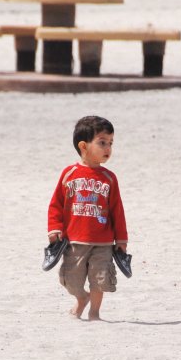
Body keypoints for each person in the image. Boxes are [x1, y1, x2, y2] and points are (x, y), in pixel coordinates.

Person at [47, 115, 128, 321]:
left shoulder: (109, 178)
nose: (108, 148)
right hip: (74, 240)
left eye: (110, 143)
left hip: (103, 242)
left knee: (100, 279)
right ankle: (81, 298)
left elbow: (117, 210)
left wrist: (121, 240)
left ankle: (95, 312)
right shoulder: (69, 174)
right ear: (83, 146)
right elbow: (56, 204)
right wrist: (54, 228)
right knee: (71, 280)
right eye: (102, 142)